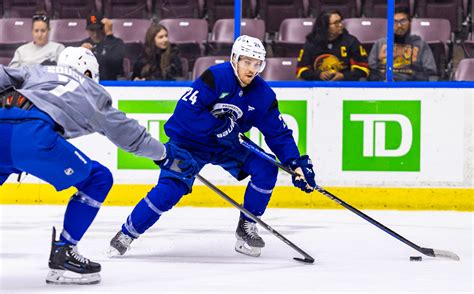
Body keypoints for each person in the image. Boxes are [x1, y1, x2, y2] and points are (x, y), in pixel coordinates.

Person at [0, 47, 198, 285]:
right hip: (35, 136)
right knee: (98, 179)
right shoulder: (92, 91)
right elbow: (130, 135)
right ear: (87, 71)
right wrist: (165, 155)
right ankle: (65, 253)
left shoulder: (38, 71)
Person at [108, 35, 317, 258]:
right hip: (189, 142)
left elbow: (278, 133)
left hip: (227, 145)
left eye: (257, 64)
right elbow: (185, 113)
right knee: (170, 190)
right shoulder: (215, 77)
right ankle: (126, 233)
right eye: (247, 62)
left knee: (266, 168)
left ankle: (247, 225)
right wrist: (218, 126)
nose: (252, 69)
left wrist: (295, 163)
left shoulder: (263, 94)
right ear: (234, 59)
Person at [296, 10, 369, 81]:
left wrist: (343, 76)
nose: (340, 25)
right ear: (325, 26)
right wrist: (318, 75)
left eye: (340, 21)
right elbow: (301, 70)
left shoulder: (351, 41)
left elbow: (363, 68)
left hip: (345, 86)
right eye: (336, 23)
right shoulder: (311, 42)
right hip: (317, 87)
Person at [368, 6, 437, 81]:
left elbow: (430, 74)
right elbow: (371, 71)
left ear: (410, 22)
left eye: (403, 21)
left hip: (410, 88)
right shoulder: (380, 43)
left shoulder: (421, 45)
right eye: (395, 22)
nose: (399, 26)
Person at [81, 12, 125, 80]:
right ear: (87, 30)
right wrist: (80, 53)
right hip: (89, 84)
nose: (95, 34)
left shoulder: (116, 43)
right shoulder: (82, 45)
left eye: (99, 29)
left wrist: (109, 36)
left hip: (112, 84)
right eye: (92, 30)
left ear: (104, 28)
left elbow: (116, 62)